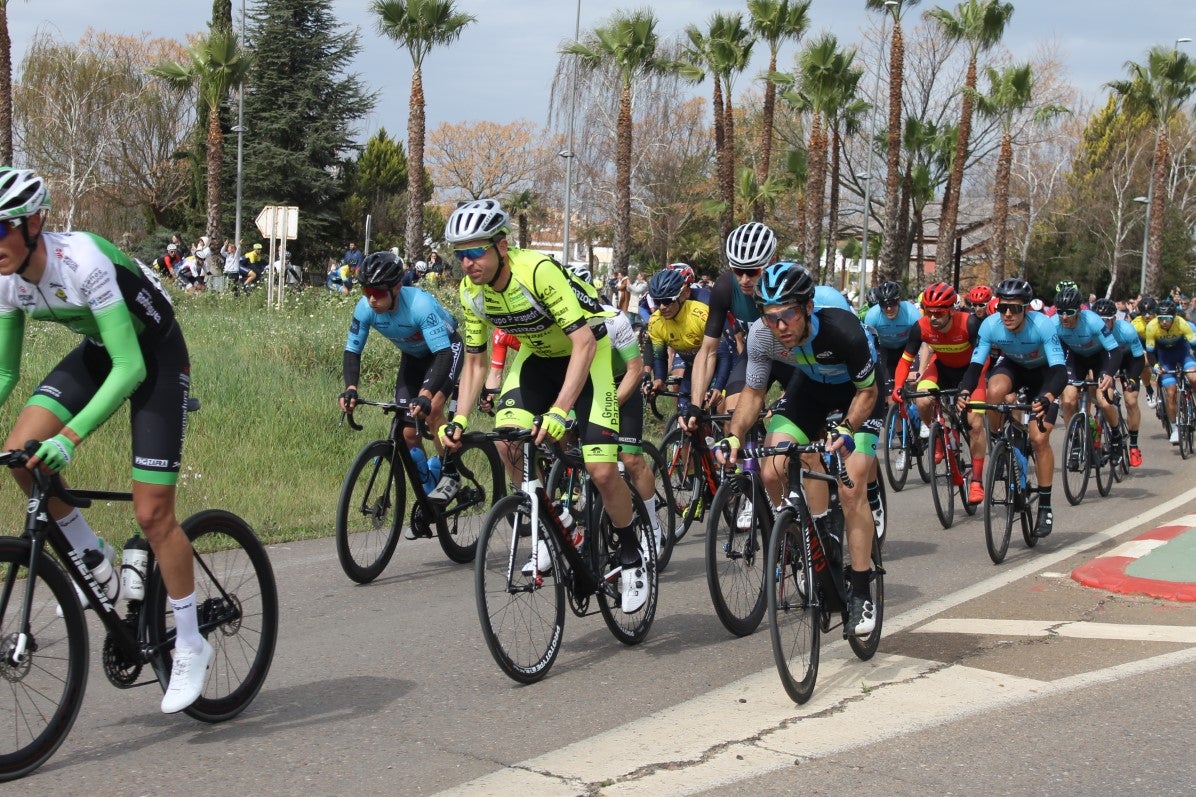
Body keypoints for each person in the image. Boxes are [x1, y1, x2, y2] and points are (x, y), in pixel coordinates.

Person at [0, 167, 210, 713]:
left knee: (153, 513)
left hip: (154, 355)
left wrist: (70, 437)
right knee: (20, 453)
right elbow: (3, 375)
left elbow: (130, 365)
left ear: (34, 224)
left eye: (1, 230)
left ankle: (189, 640)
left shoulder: (83, 260)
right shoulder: (5, 279)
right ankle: (93, 553)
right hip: (100, 349)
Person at [438, 198, 649, 613]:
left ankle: (631, 555)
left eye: (475, 251)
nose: (467, 263)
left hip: (589, 357)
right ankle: (557, 522)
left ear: (501, 246)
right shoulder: (472, 292)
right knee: (507, 443)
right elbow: (476, 361)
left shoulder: (537, 271)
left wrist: (559, 410)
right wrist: (459, 417)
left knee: (602, 470)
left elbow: (583, 342)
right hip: (537, 361)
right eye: (460, 254)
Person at [714, 261, 882, 636]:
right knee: (772, 466)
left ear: (807, 307)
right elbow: (754, 394)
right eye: (770, 316)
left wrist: (847, 427)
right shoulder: (762, 335)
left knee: (850, 487)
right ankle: (809, 539)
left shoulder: (842, 330)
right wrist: (734, 436)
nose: (780, 326)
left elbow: (868, 391)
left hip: (859, 395)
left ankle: (860, 591)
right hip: (811, 390)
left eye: (787, 314)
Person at [339, 251, 464, 525]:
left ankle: (451, 473)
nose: (371, 297)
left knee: (430, 412)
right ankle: (429, 487)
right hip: (415, 357)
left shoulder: (420, 304)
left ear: (396, 288)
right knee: (408, 434)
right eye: (366, 290)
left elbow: (443, 355)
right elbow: (352, 351)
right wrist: (350, 388)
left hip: (445, 351)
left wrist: (427, 395)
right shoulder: (365, 308)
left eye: (378, 291)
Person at [956, 278, 1067, 538]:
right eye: (1003, 307)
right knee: (994, 391)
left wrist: (1049, 397)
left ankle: (1046, 506)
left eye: (1015, 309)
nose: (1007, 314)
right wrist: (964, 390)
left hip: (1044, 374)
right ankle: (1000, 445)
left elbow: (1060, 371)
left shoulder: (1043, 325)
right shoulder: (990, 325)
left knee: (1039, 440)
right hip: (1014, 367)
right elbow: (975, 365)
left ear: (1026, 309)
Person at [683, 222, 795, 434]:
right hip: (755, 355)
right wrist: (695, 405)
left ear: (770, 262)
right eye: (738, 270)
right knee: (733, 418)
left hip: (795, 359)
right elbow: (707, 351)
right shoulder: (725, 287)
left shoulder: (789, 285)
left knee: (797, 428)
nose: (744, 280)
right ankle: (742, 467)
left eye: (752, 272)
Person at [890, 281, 987, 503]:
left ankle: (977, 481)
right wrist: (898, 385)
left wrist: (967, 387)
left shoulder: (970, 324)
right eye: (928, 312)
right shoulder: (921, 327)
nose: (932, 317)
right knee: (922, 401)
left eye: (939, 313)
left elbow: (984, 358)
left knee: (976, 424)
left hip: (972, 371)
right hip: (941, 368)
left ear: (952, 310)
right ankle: (938, 432)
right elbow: (906, 360)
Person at [1051, 285, 1123, 465]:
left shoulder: (1092, 321)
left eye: (1069, 311)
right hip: (1075, 357)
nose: (1064, 316)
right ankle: (1075, 442)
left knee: (1105, 402)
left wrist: (1108, 374)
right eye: (1060, 312)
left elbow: (1115, 351)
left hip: (1100, 357)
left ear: (1079, 311)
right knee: (1068, 401)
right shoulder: (1053, 323)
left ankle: (1116, 436)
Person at [1093, 297, 1147, 466]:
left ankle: (1134, 444)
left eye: (1107, 320)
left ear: (1114, 319)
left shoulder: (1127, 330)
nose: (1103, 324)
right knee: (1100, 400)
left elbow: (1139, 359)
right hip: (1105, 362)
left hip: (1127, 360)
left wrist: (1131, 378)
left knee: (1131, 401)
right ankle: (1097, 438)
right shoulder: (1091, 331)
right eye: (1099, 320)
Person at [1144, 297, 1196, 445]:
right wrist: (1155, 367)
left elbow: (1194, 346)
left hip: (1183, 353)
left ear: (1174, 317)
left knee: (1193, 378)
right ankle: (1174, 428)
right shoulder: (1152, 327)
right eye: (1161, 318)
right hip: (1165, 358)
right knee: (1171, 393)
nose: (1164, 321)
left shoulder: (1182, 323)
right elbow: (1151, 352)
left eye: (1167, 318)